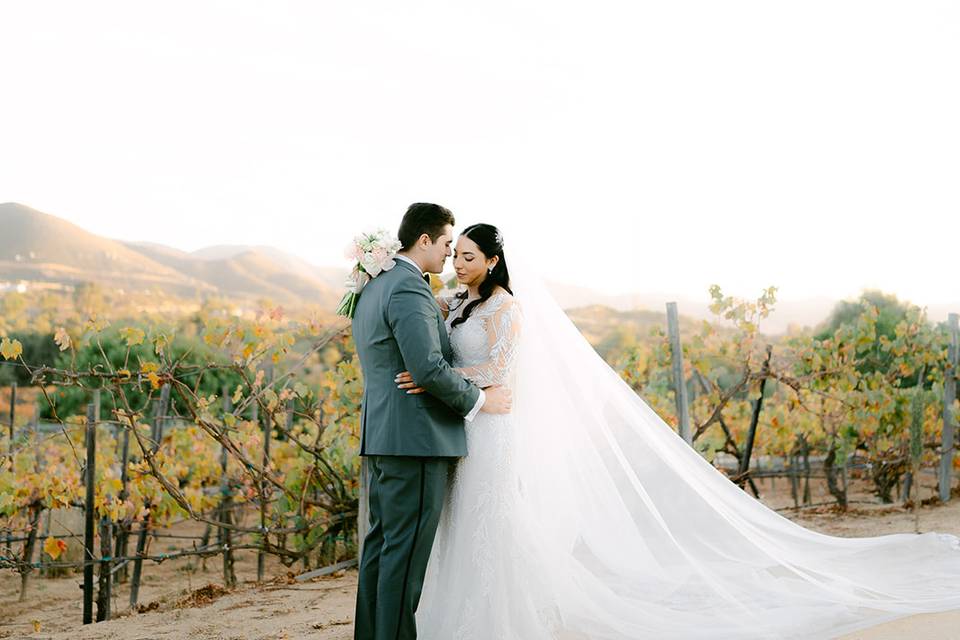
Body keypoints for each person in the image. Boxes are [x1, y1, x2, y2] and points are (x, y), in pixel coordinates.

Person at [395, 222, 960, 639]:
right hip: (470, 427)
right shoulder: (453, 302)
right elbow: (425, 312)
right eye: (457, 255)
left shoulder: (506, 310)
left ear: (493, 261)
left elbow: (500, 370)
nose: (459, 264)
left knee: (492, 521)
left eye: (469, 257)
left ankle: (501, 619)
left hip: (494, 433)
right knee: (464, 521)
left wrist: (437, 376)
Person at [351, 204, 513, 640]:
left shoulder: (376, 285)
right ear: (424, 240)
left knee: (382, 549)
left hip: (387, 434)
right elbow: (425, 368)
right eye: (446, 245)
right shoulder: (406, 289)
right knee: (404, 560)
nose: (448, 256)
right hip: (417, 439)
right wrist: (481, 401)